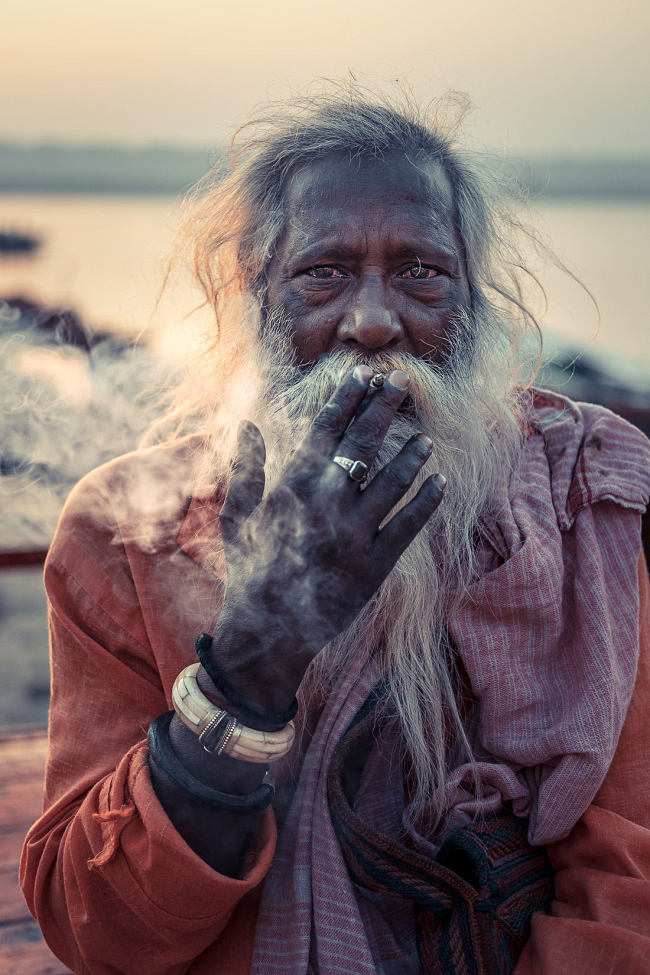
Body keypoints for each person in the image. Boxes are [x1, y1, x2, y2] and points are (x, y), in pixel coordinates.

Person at [21, 88, 650, 975]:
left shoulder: (577, 495)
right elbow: (98, 932)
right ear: (255, 294)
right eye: (323, 273)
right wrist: (252, 663)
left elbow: (623, 871)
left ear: (472, 300)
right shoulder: (127, 530)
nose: (371, 322)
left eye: (420, 271)